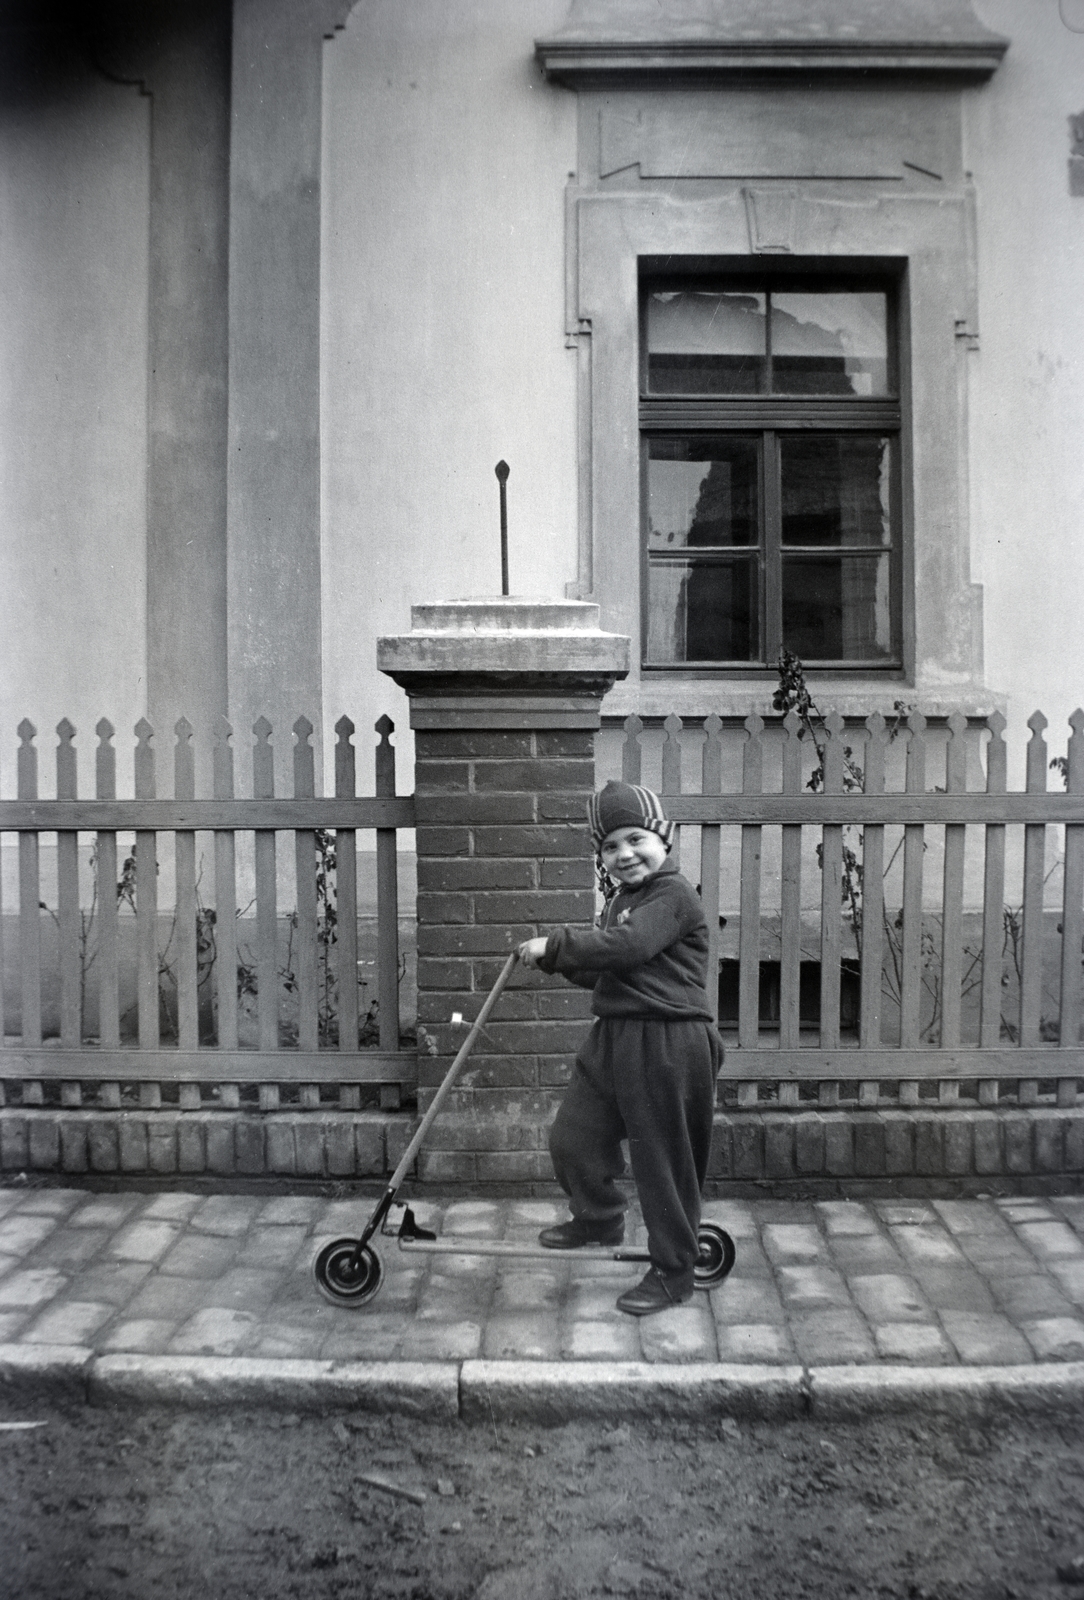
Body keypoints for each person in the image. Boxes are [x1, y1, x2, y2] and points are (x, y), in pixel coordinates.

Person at [518, 779, 723, 1317]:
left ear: (664, 838)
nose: (624, 854)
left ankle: (674, 1271)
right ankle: (598, 1217)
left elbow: (630, 947)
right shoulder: (621, 902)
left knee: (662, 1162)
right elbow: (609, 970)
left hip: (669, 1039)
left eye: (636, 839)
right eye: (610, 846)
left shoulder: (673, 896)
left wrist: (558, 946)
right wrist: (557, 962)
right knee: (574, 1136)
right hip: (615, 1035)